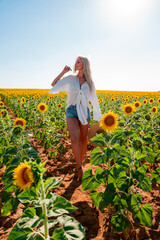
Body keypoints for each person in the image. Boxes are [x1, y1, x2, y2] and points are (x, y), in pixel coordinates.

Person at [49, 56, 102, 181]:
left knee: (83, 139)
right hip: (71, 110)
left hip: (84, 111)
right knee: (74, 138)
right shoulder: (70, 79)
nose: (75, 63)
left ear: (84, 64)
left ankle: (80, 161)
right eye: (76, 62)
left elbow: (94, 99)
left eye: (78, 62)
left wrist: (98, 115)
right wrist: (63, 72)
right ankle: (79, 166)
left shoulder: (90, 82)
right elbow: (54, 84)